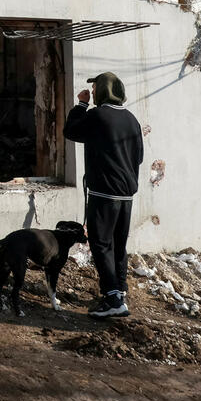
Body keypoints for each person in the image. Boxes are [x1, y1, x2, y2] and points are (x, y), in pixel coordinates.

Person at [64, 72, 143, 318]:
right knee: (118, 245)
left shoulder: (97, 115)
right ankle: (120, 290)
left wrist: (81, 105)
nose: (92, 92)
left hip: (104, 192)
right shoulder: (131, 119)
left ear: (103, 91)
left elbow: (71, 131)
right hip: (126, 194)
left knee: (100, 244)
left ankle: (112, 298)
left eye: (94, 88)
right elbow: (139, 157)